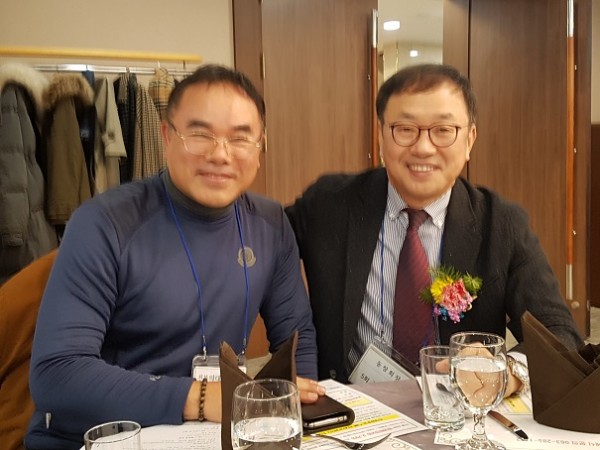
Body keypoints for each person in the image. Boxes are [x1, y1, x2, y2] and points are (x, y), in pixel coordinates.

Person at [26, 64, 320, 450]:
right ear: (166, 136)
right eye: (200, 134)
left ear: (260, 146)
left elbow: (297, 341)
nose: (220, 154)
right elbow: (57, 373)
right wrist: (202, 398)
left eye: (240, 138)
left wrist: (292, 417)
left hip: (214, 435)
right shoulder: (103, 223)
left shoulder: (270, 223)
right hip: (105, 436)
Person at [285, 63, 584, 390]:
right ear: (381, 134)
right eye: (405, 128)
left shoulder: (501, 224)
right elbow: (262, 239)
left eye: (443, 130)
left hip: (459, 407)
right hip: (353, 405)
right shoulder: (329, 205)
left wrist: (506, 371)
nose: (423, 147)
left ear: (469, 140)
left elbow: (561, 335)